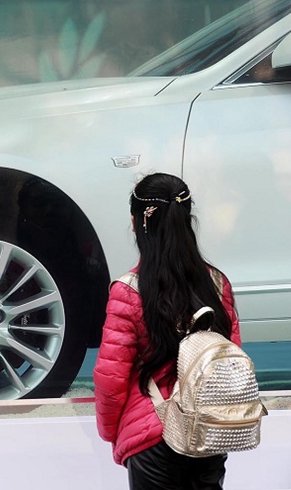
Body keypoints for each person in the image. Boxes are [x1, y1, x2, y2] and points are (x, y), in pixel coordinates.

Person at [94, 172, 241, 490]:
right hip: (209, 433)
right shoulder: (216, 284)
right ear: (187, 220)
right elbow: (230, 359)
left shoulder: (129, 290)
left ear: (138, 224)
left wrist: (112, 431)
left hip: (153, 435)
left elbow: (111, 379)